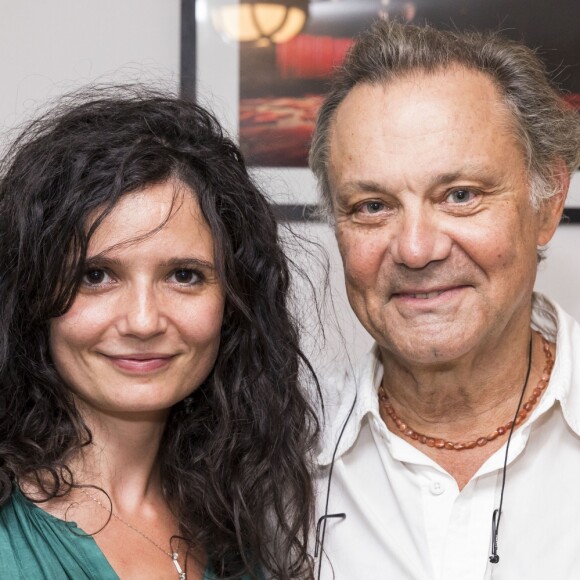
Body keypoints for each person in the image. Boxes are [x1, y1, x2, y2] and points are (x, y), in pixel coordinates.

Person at [0, 88, 319, 580]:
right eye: (96, 276)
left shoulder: (237, 522)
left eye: (184, 275)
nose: (144, 321)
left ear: (234, 302)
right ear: (30, 292)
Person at [309, 19, 580, 580]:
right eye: (372, 206)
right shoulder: (273, 461)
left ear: (548, 203)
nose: (415, 249)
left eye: (460, 196)